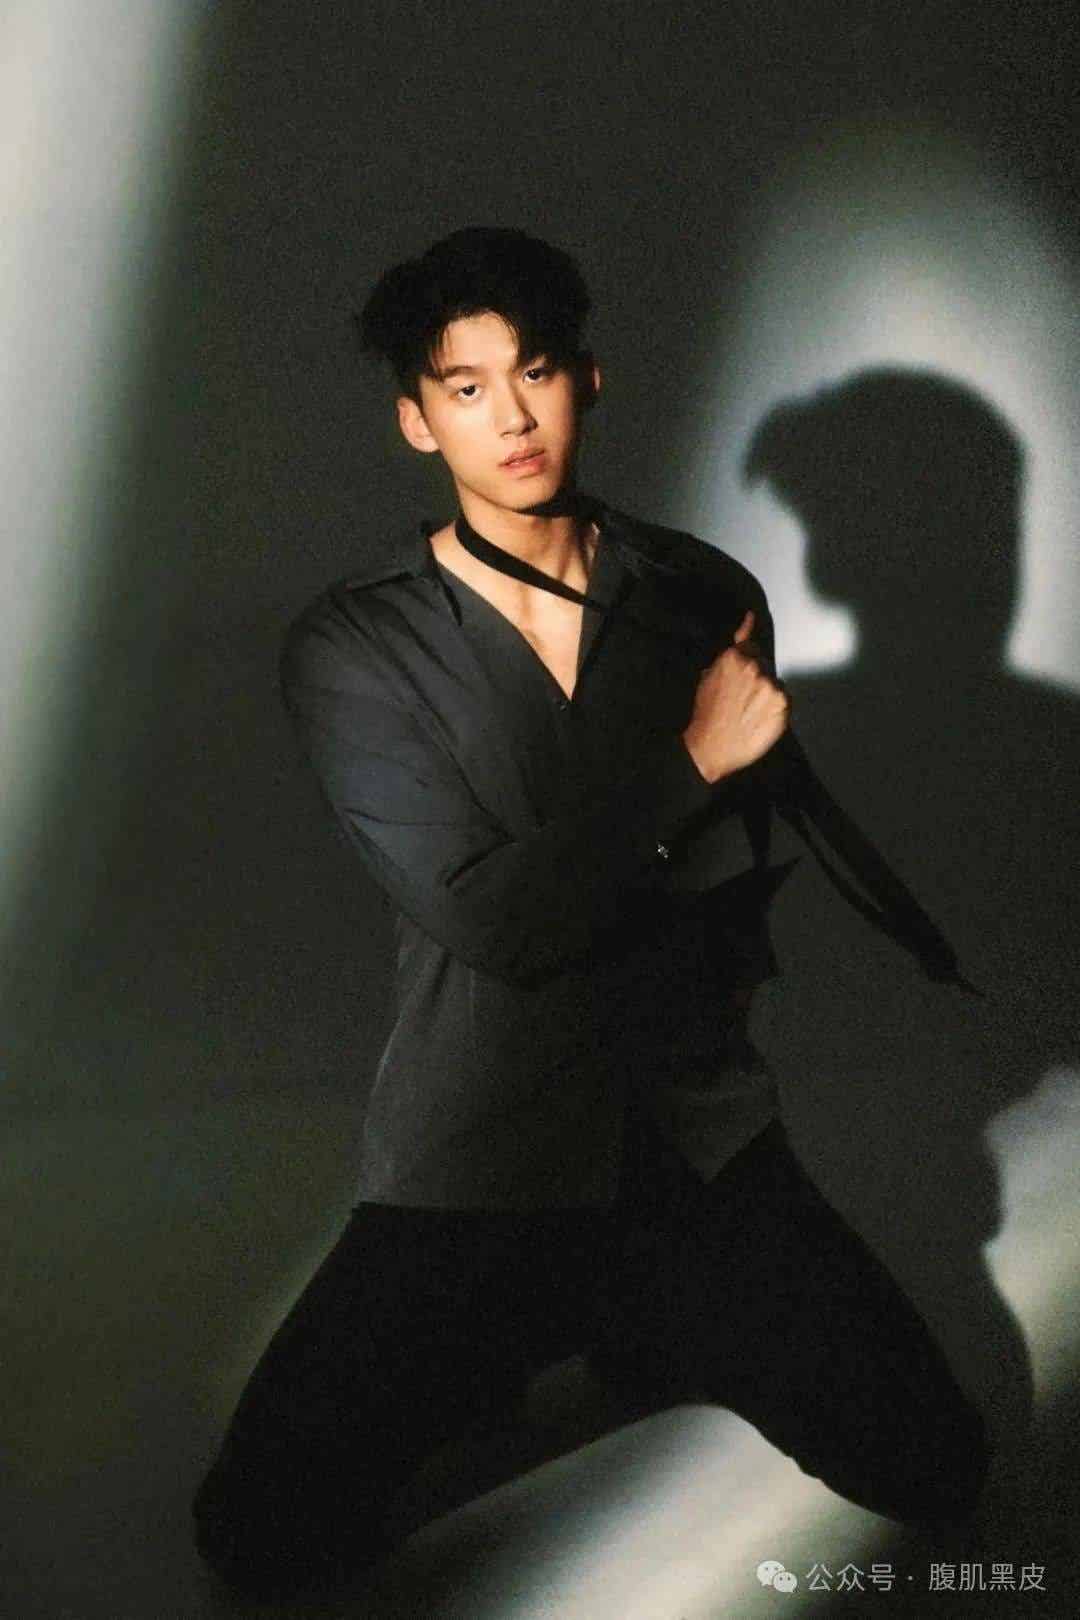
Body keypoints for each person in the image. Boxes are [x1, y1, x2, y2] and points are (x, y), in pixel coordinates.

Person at [192, 227, 989, 1598]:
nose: (510, 417)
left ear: (589, 380)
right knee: (256, 1538)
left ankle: (652, 1315)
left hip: (697, 1143)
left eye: (537, 371)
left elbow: (725, 889)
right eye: (465, 387)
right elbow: (495, 919)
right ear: (416, 418)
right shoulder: (356, 645)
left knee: (938, 1466)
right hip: (481, 1159)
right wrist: (690, 766)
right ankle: (542, 1328)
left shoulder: (703, 598)